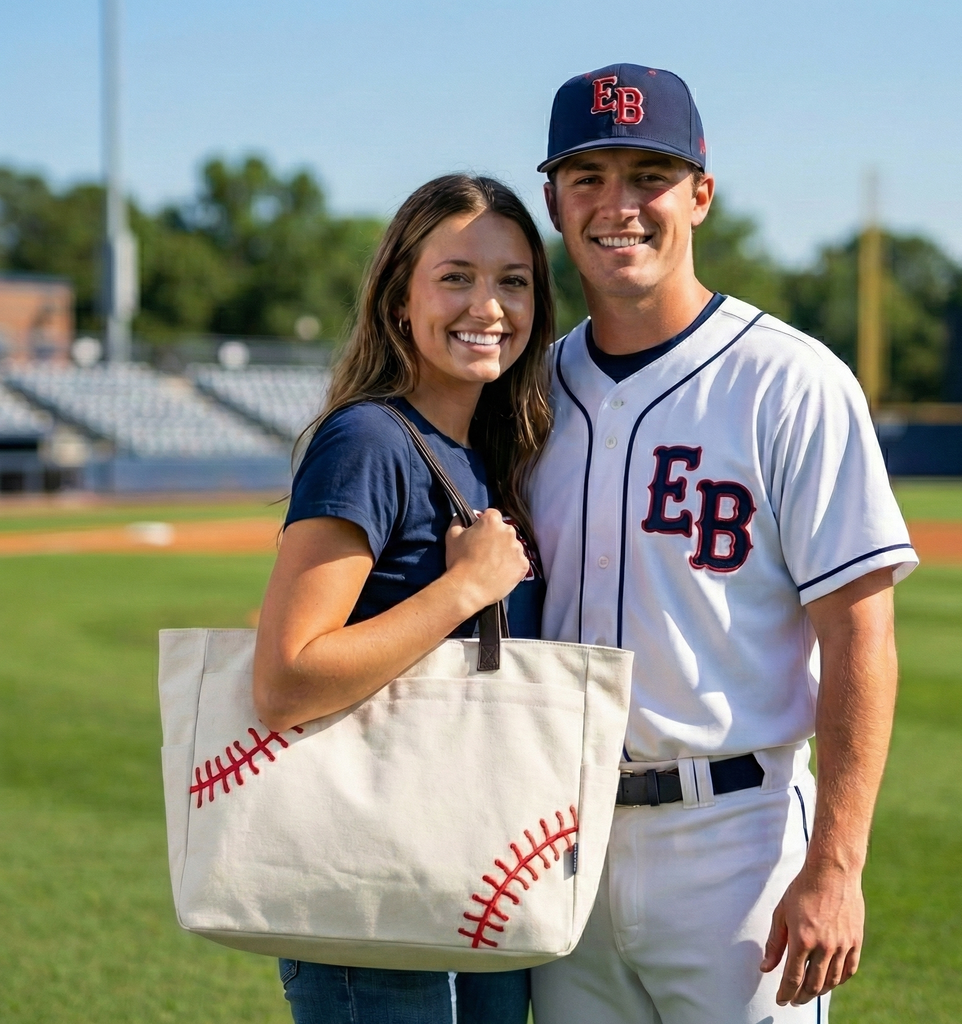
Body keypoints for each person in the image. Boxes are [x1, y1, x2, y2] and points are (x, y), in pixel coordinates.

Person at [528, 64, 919, 1023]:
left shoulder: (792, 383)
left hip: (733, 841)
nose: (619, 204)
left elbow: (860, 637)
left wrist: (836, 866)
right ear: (553, 200)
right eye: (589, 176)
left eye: (648, 174)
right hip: (554, 839)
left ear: (699, 194)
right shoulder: (526, 394)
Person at [252, 173, 555, 1024]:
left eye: (513, 280)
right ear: (398, 303)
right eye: (455, 277)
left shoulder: (487, 452)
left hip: (477, 876)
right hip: (375, 901)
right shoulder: (368, 441)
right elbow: (286, 680)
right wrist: (463, 588)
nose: (487, 305)